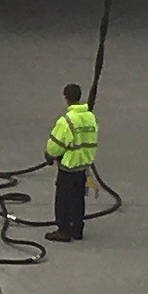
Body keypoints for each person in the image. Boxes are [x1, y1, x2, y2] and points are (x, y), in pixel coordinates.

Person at [44, 82, 98, 241]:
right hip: (82, 166)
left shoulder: (66, 121)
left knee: (63, 200)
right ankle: (77, 229)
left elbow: (56, 145)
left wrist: (49, 155)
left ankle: (64, 230)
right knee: (78, 199)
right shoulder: (89, 117)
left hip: (68, 167)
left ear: (66, 99)